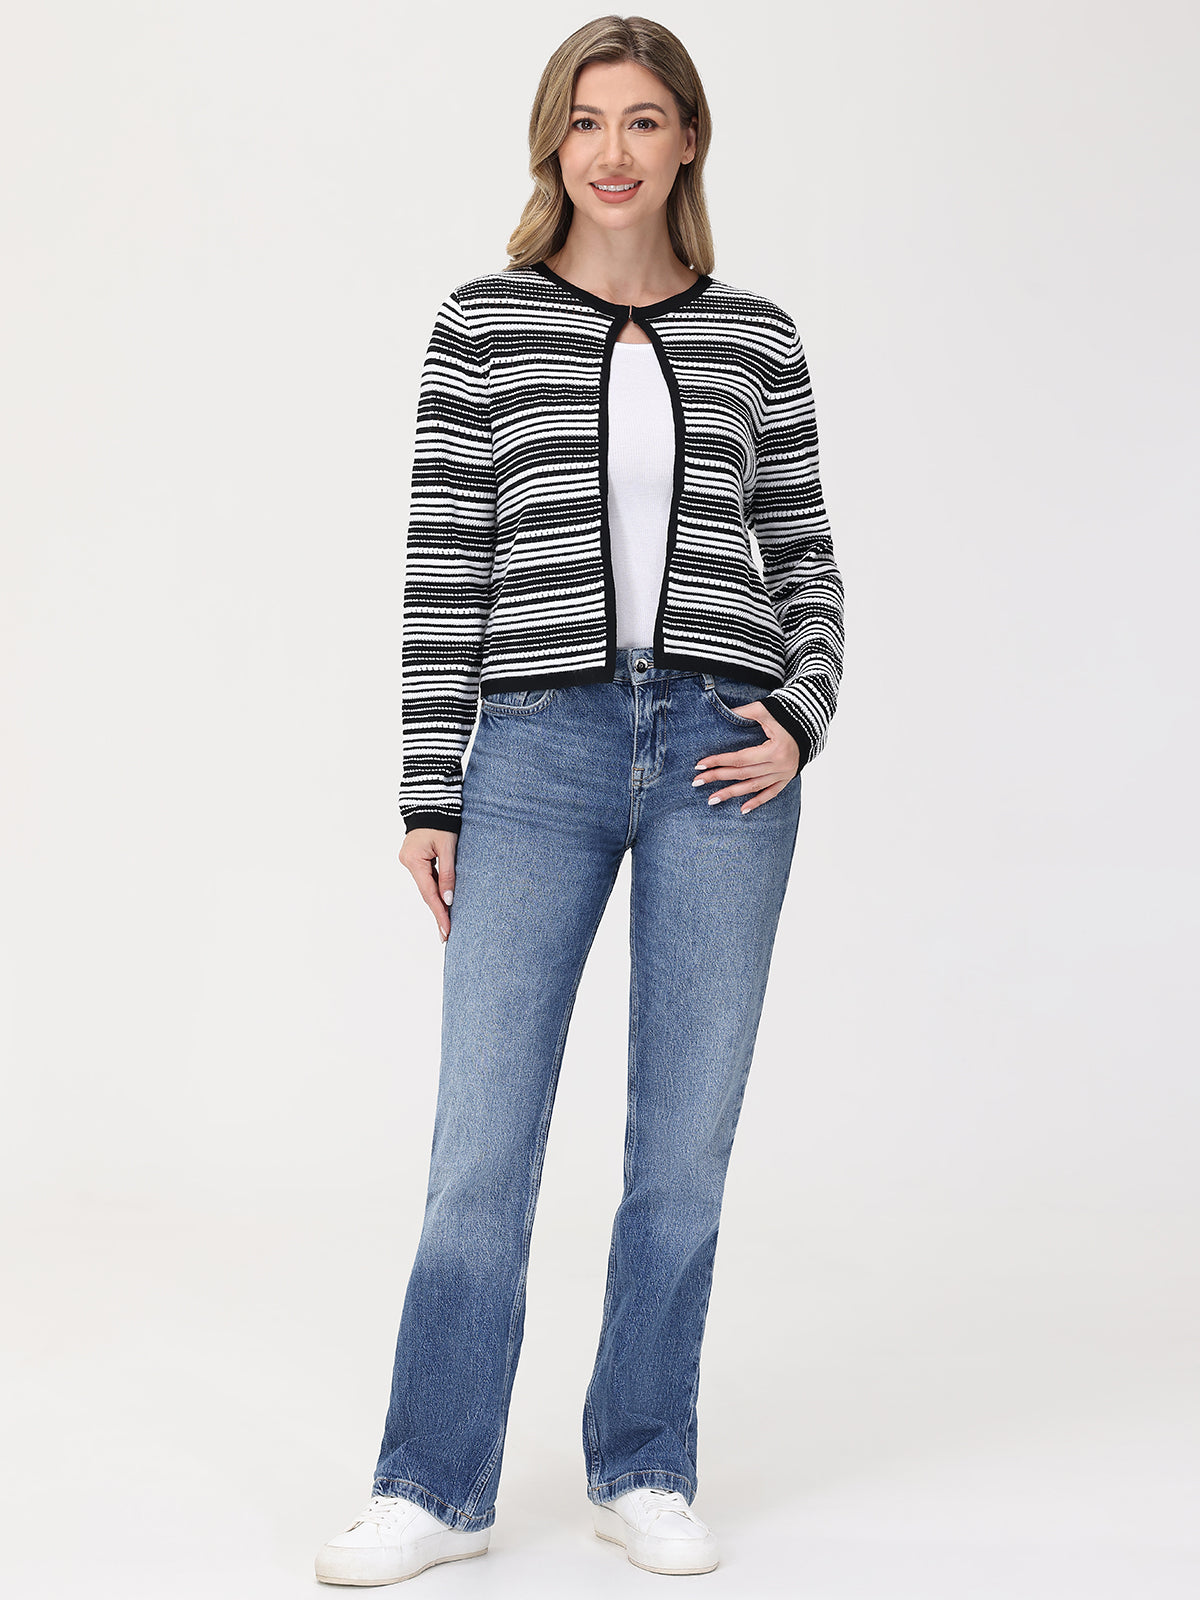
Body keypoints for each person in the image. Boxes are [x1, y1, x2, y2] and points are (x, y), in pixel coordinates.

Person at [316, 13, 845, 1587]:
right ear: (555, 141)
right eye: (587, 119)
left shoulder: (756, 336)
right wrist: (431, 789)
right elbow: (444, 565)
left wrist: (801, 716)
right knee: (481, 1141)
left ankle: (646, 1463)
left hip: (719, 754)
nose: (613, 150)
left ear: (687, 143)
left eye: (645, 120)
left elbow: (807, 555)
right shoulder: (482, 324)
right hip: (533, 754)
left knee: (682, 1142)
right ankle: (435, 1484)